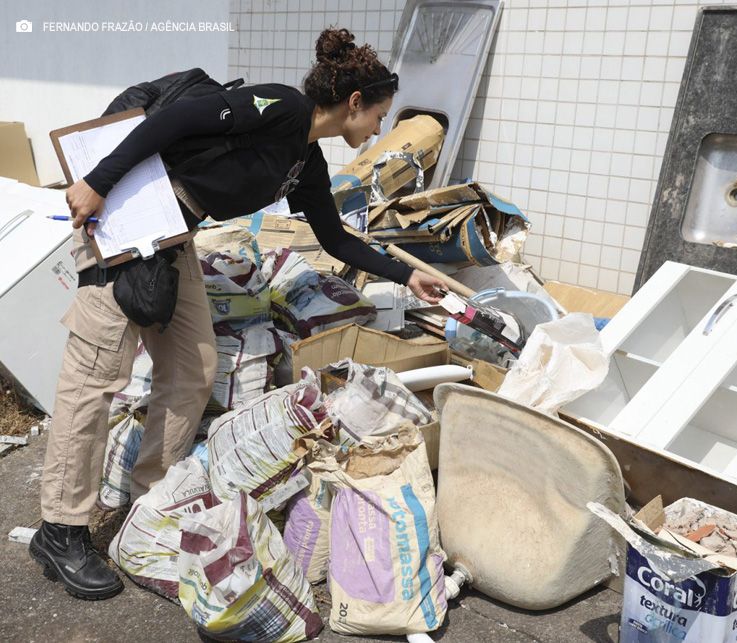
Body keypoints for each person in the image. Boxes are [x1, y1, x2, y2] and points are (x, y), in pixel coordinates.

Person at [29, 27, 446, 600]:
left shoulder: (306, 161)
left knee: (195, 366)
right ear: (354, 102)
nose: (378, 129)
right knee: (96, 377)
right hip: (127, 214)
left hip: (174, 236)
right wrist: (97, 184)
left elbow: (334, 237)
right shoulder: (282, 106)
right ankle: (60, 529)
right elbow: (175, 122)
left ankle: (150, 504)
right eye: (378, 115)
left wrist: (405, 275)